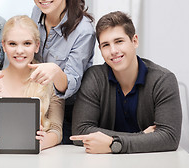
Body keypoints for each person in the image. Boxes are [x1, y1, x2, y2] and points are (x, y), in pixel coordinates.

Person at [70, 11, 182, 154]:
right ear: (100, 50)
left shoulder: (163, 80)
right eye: (106, 45)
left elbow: (169, 137)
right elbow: (81, 131)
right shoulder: (94, 78)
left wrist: (114, 144)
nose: (113, 51)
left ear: (134, 41)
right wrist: (142, 137)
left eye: (119, 41)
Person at [0, 15, 64, 153]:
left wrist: (42, 143)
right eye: (12, 44)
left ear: (37, 46)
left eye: (27, 43)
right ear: (4, 46)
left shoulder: (50, 82)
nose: (19, 51)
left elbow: (56, 130)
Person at [30, 0, 96, 143]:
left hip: (69, 114)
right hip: (40, 106)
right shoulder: (37, 12)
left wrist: (54, 71)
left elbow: (72, 85)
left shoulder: (83, 30)